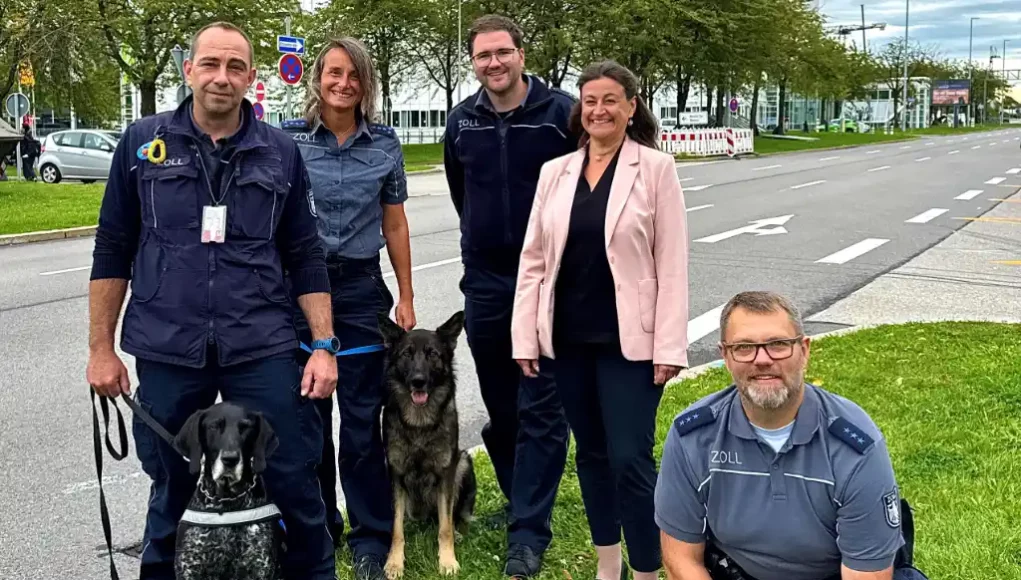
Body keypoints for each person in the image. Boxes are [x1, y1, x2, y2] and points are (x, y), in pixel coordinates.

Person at [85, 21, 339, 580]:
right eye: (211, 64)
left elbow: (305, 253)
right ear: (189, 70)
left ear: (251, 77)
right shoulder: (141, 146)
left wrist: (323, 345)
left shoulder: (279, 152)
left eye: (235, 67)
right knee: (171, 488)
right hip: (168, 345)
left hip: (262, 343)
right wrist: (100, 349)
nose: (222, 78)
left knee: (294, 478)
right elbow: (112, 248)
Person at [510, 59, 689, 580]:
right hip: (567, 339)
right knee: (589, 453)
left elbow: (672, 263)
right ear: (578, 109)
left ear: (631, 107)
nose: (599, 110)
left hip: (630, 344)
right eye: (590, 101)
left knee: (630, 457)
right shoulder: (556, 172)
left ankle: (649, 569)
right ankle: (607, 565)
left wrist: (670, 347)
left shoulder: (656, 169)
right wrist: (526, 336)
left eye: (611, 100)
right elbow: (534, 261)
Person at [654, 291, 929, 580]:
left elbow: (866, 575)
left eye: (778, 344)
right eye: (745, 347)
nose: (762, 360)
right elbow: (681, 560)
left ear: (804, 350)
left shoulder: (855, 446)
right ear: (726, 356)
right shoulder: (693, 436)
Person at [442, 13, 578, 578]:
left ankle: (528, 532)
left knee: (542, 408)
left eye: (502, 52)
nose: (493, 64)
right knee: (502, 409)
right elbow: (459, 191)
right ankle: (522, 501)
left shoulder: (560, 115)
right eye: (482, 56)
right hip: (488, 282)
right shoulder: (461, 122)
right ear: (473, 63)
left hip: (552, 279)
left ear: (521, 53)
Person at [285, 36, 416, 580]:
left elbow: (394, 224)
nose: (342, 84)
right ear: (317, 78)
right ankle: (319, 528)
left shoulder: (385, 146)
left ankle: (369, 536)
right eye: (333, 73)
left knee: (361, 424)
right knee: (307, 421)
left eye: (353, 75)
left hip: (361, 291)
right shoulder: (287, 141)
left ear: (366, 84)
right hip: (297, 291)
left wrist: (406, 295)